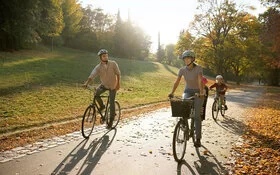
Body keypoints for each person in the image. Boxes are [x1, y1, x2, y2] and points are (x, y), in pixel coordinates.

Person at [168, 50, 205, 147]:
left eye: (188, 58)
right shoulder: (182, 70)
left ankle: (198, 138)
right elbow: (177, 81)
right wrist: (172, 92)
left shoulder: (199, 68)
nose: (186, 60)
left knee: (197, 116)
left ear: (193, 59)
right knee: (183, 108)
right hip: (188, 91)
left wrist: (201, 92)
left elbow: (200, 80)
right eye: (184, 58)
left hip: (198, 92)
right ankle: (184, 124)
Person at [83, 49, 121, 129]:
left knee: (111, 102)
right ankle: (102, 106)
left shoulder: (113, 63)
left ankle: (110, 121)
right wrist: (87, 83)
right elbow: (92, 75)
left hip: (113, 86)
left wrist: (118, 84)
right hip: (104, 85)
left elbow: (118, 74)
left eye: (106, 55)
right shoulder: (98, 67)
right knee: (96, 94)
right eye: (104, 56)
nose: (105, 57)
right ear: (101, 57)